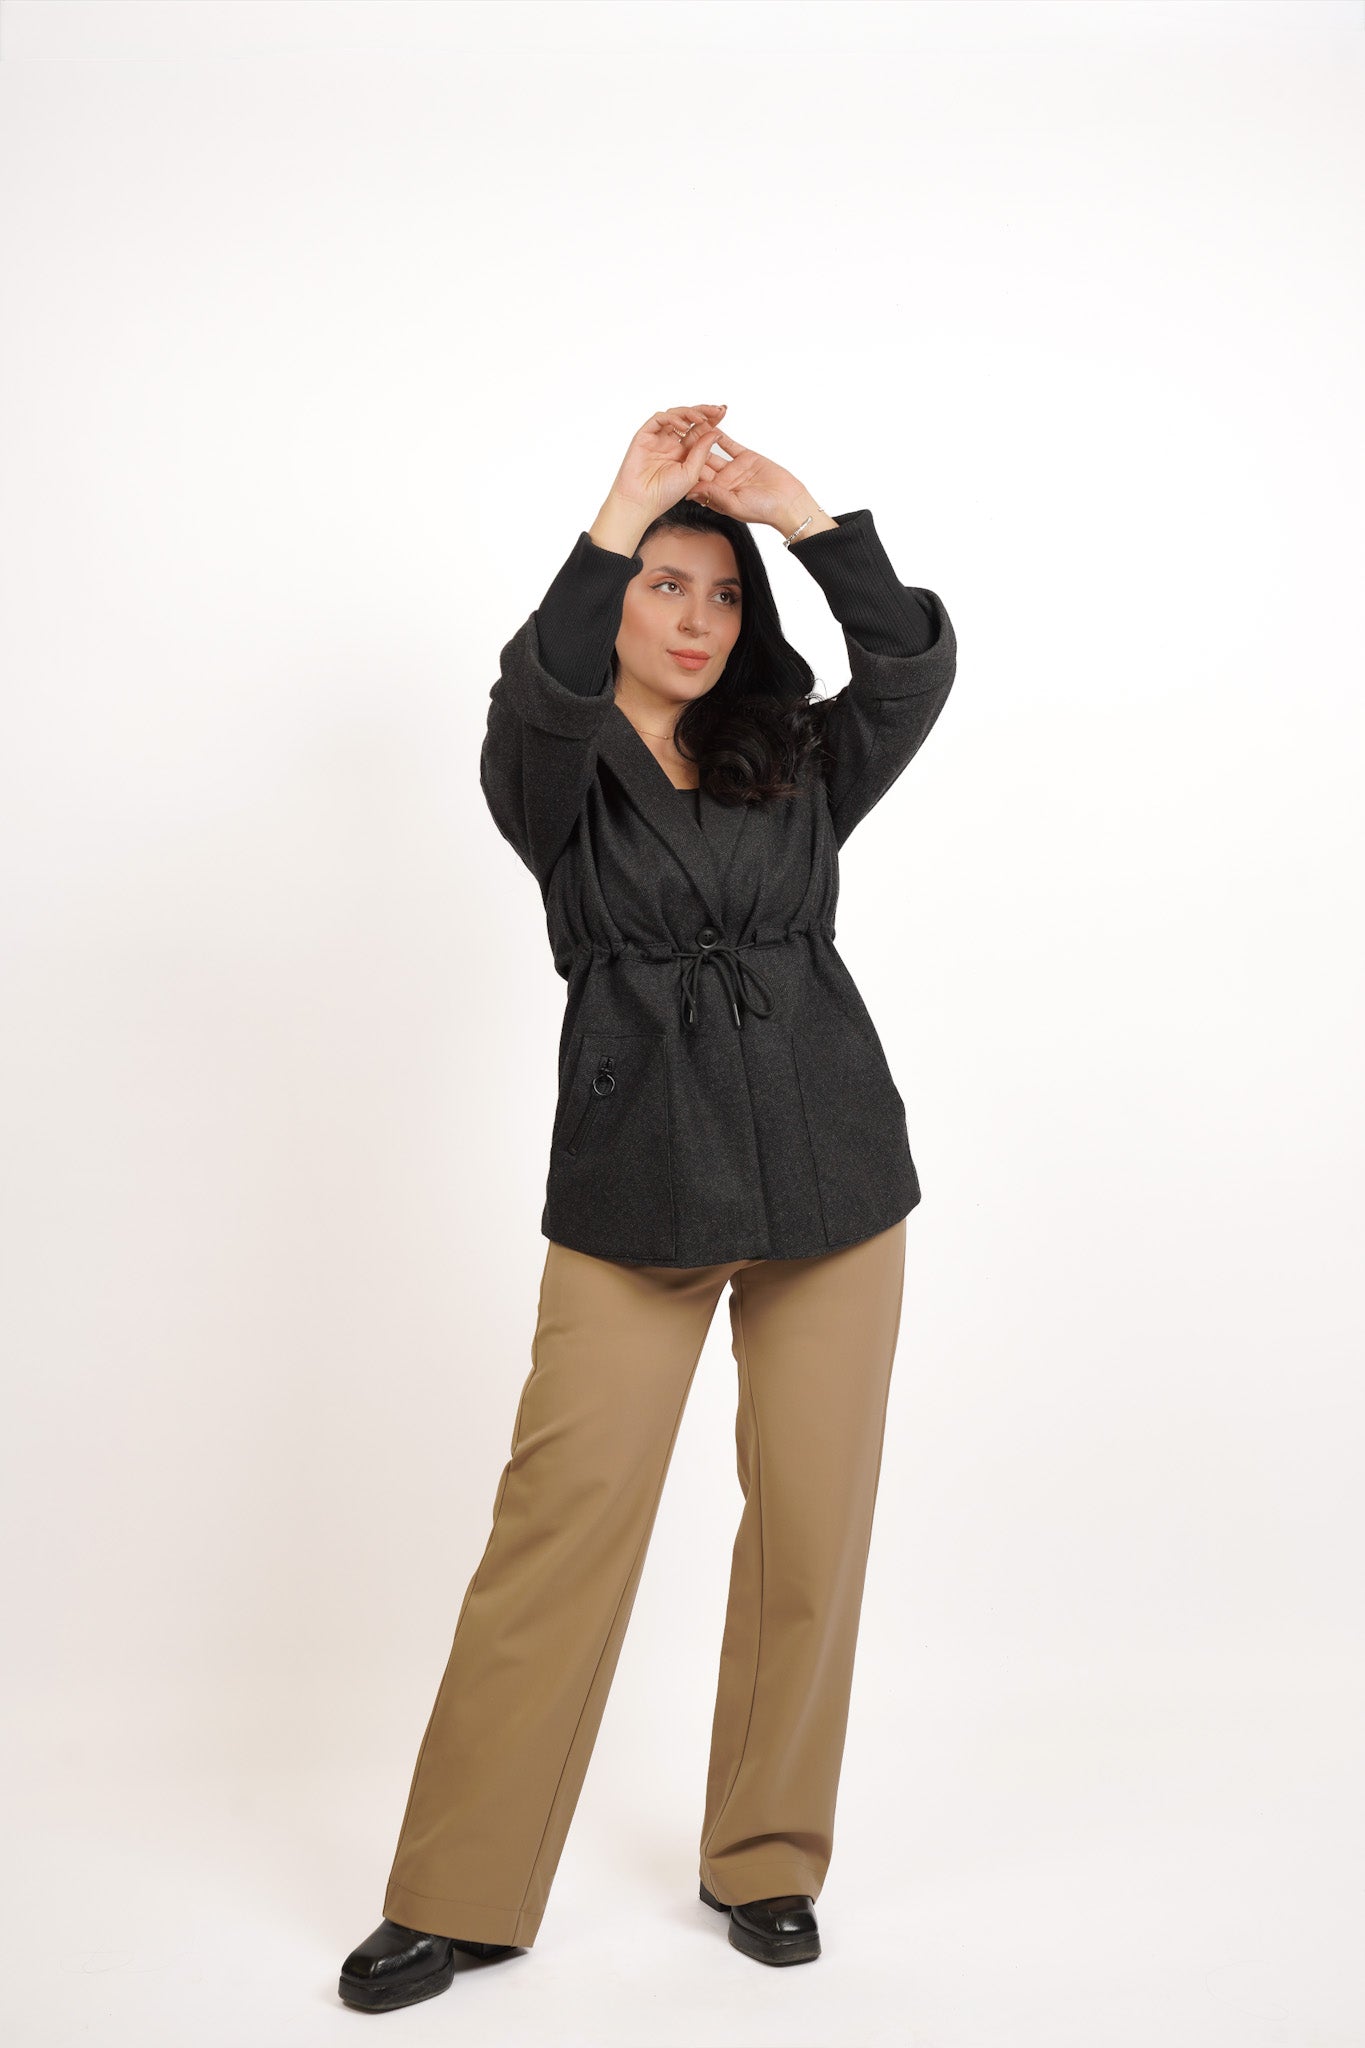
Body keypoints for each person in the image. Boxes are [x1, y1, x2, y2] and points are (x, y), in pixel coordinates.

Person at [338, 404, 958, 2011]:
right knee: (558, 1528)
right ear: (612, 595)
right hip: (636, 1184)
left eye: (720, 595)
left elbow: (907, 670)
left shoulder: (790, 754)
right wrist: (621, 506)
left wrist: (806, 524)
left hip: (833, 1169)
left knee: (811, 1532)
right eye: (664, 588)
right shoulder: (551, 769)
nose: (696, 621)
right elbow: (536, 684)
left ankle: (765, 1857)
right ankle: (459, 1892)